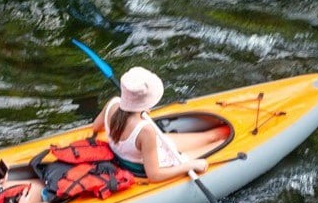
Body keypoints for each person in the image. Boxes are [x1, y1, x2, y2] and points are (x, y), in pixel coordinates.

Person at [91, 66, 229, 182]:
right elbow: (154, 175)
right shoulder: (146, 130)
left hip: (131, 154)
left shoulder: (112, 103)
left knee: (214, 135)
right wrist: (190, 165)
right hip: (156, 163)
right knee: (220, 140)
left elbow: (96, 127)